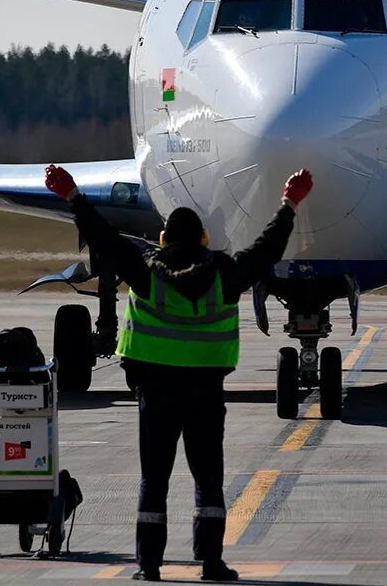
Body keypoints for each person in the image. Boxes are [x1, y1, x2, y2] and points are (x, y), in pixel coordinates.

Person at [45, 164, 313, 582]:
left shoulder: (146, 275)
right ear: (204, 241)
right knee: (209, 484)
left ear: (164, 240)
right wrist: (289, 204)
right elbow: (266, 251)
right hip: (206, 394)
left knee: (154, 481)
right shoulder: (224, 276)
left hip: (156, 393)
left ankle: (149, 565)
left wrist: (74, 197)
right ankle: (211, 563)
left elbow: (106, 241)